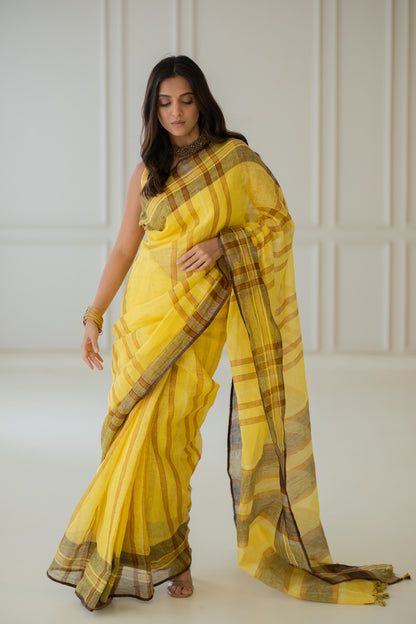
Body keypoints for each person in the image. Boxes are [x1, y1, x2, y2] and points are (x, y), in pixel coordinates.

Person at [47, 55, 409, 611]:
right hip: (143, 317)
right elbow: (124, 248)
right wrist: (94, 315)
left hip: (199, 316)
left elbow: (277, 221)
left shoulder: (234, 160)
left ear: (202, 101)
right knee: (133, 436)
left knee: (174, 437)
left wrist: (222, 244)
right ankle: (123, 553)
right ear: (153, 109)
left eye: (185, 100)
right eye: (164, 103)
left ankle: (176, 557)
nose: (175, 112)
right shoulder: (147, 172)